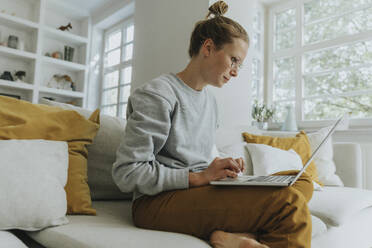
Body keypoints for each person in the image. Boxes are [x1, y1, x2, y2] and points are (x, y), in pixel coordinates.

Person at [112, 1, 313, 248]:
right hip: (157, 202)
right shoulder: (158, 94)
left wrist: (223, 166)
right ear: (208, 47)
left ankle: (230, 237)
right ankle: (241, 236)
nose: (236, 71)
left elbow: (200, 155)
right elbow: (127, 173)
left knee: (301, 184)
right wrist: (198, 178)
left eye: (240, 64)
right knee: (289, 203)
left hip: (199, 191)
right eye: (234, 60)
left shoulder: (210, 101)